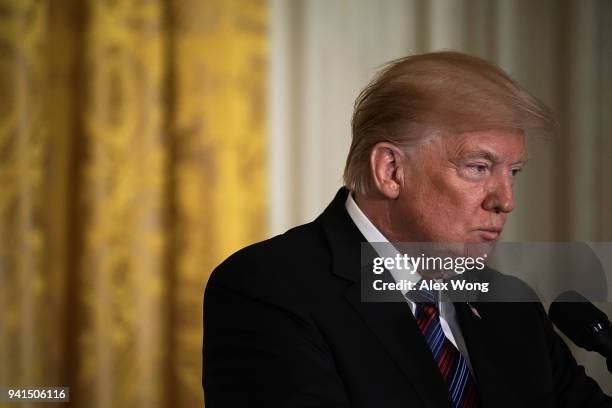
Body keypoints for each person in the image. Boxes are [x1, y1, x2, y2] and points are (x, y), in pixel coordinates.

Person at [203, 52, 612, 407]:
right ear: (390, 171)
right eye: (478, 167)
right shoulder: (268, 289)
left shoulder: (511, 305)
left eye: (514, 172)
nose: (505, 200)